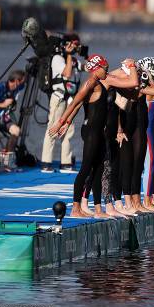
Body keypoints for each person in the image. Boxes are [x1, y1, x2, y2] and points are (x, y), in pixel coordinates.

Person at [49, 54, 139, 218]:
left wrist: (67, 122)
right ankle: (75, 209)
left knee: (99, 168)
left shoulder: (100, 84)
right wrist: (61, 122)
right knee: (85, 169)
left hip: (99, 132)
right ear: (97, 68)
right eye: (105, 68)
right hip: (91, 132)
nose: (107, 71)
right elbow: (76, 102)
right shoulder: (91, 82)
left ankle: (98, 210)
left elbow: (132, 88)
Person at [41, 39, 82, 173]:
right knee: (53, 128)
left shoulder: (73, 60)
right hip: (58, 98)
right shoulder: (57, 59)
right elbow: (67, 73)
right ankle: (46, 163)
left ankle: (66, 162)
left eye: (76, 46)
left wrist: (87, 57)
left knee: (68, 130)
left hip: (69, 99)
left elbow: (85, 68)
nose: (74, 48)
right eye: (71, 45)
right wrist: (69, 55)